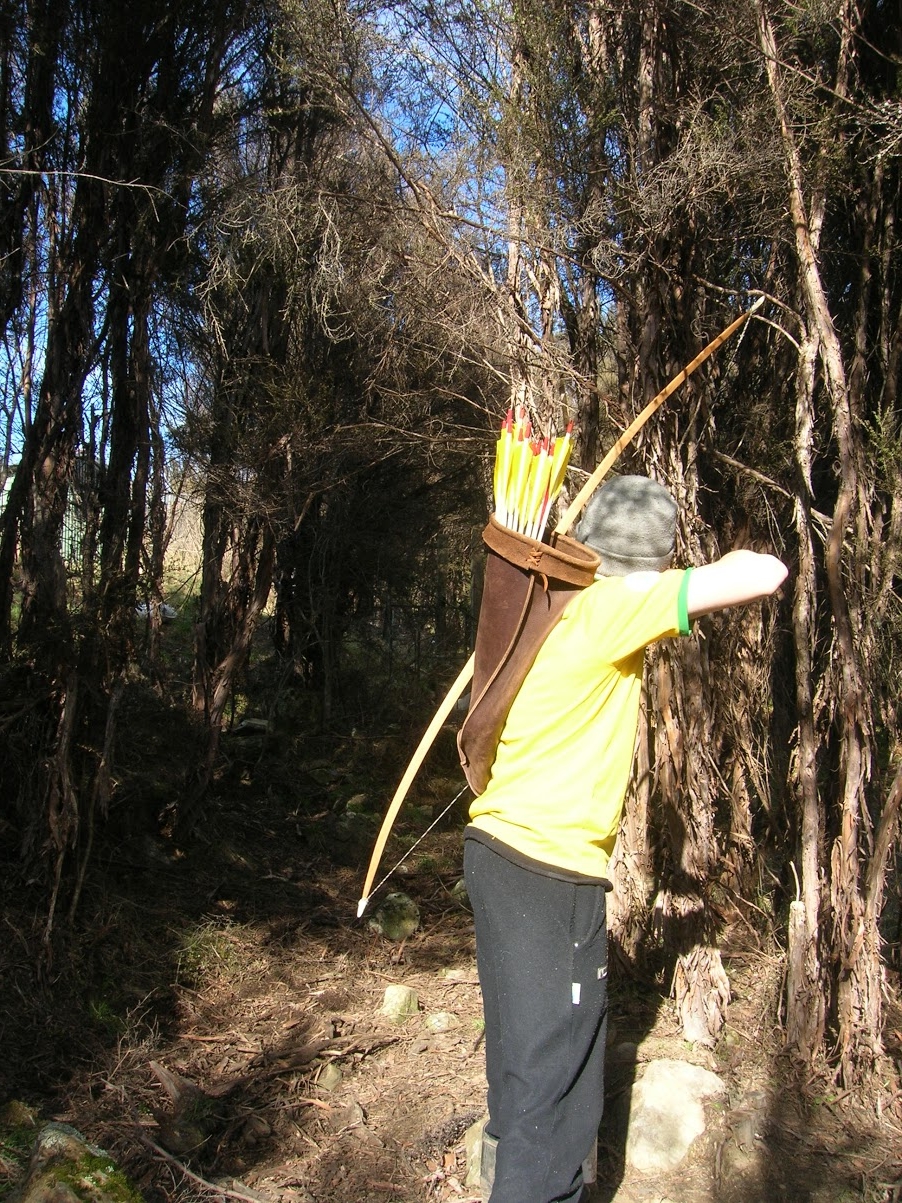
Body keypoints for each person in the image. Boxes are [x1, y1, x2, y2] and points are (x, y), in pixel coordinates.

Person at [463, 474, 788, 1203]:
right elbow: (767, 573)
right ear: (644, 566)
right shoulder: (612, 607)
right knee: (558, 1082)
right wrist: (707, 564)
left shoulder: (552, 611)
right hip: (549, 869)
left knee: (523, 1063)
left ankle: (508, 1177)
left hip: (497, 854)